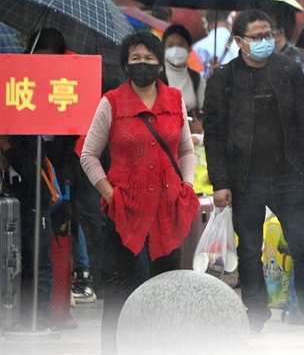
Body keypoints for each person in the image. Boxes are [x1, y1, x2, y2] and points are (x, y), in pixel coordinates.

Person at [202, 9, 304, 335]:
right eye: (257, 37)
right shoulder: (223, 79)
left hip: (287, 175)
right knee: (249, 249)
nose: (265, 41)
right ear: (239, 40)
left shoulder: (289, 70)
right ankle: (255, 312)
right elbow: (215, 134)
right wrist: (220, 182)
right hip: (245, 177)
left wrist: (303, 165)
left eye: (269, 35)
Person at [80, 31, 199, 355]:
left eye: (149, 58)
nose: (143, 64)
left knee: (163, 290)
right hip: (124, 213)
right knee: (119, 291)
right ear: (125, 64)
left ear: (160, 64)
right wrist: (109, 195)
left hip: (167, 212)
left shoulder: (174, 100)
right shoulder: (112, 102)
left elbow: (186, 151)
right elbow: (89, 155)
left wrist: (185, 185)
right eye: (136, 59)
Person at [0, 28, 79, 330]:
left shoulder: (64, 93)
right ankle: (14, 317)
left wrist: (13, 146)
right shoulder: (17, 88)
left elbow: (59, 149)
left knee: (40, 260)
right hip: (15, 188)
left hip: (43, 190)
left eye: (51, 59)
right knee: (14, 258)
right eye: (38, 58)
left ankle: (42, 319)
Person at [162, 24, 206, 113]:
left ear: (189, 50)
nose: (175, 50)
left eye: (180, 45)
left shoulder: (196, 78)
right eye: (170, 46)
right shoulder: (156, 77)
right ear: (163, 49)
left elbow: (204, 109)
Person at [193, 9, 239, 79]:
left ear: (207, 27)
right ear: (229, 24)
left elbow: (196, 80)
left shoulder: (198, 47)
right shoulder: (241, 45)